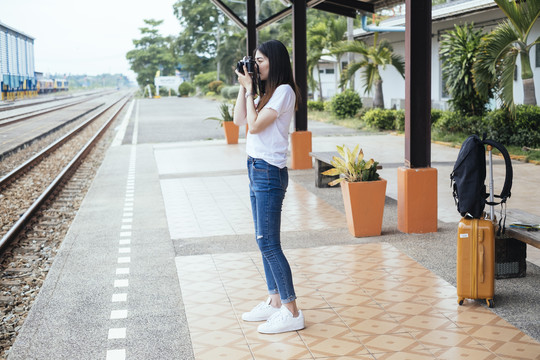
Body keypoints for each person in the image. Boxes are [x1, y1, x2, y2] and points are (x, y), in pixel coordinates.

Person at [233, 40, 304, 334]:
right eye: (254, 61)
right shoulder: (265, 94)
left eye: (260, 61)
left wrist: (251, 90)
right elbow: (239, 120)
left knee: (269, 243)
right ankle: (275, 301)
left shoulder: (284, 91)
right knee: (262, 240)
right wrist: (243, 86)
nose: (256, 66)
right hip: (255, 167)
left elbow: (255, 126)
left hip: (269, 172)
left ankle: (292, 310)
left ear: (274, 61)